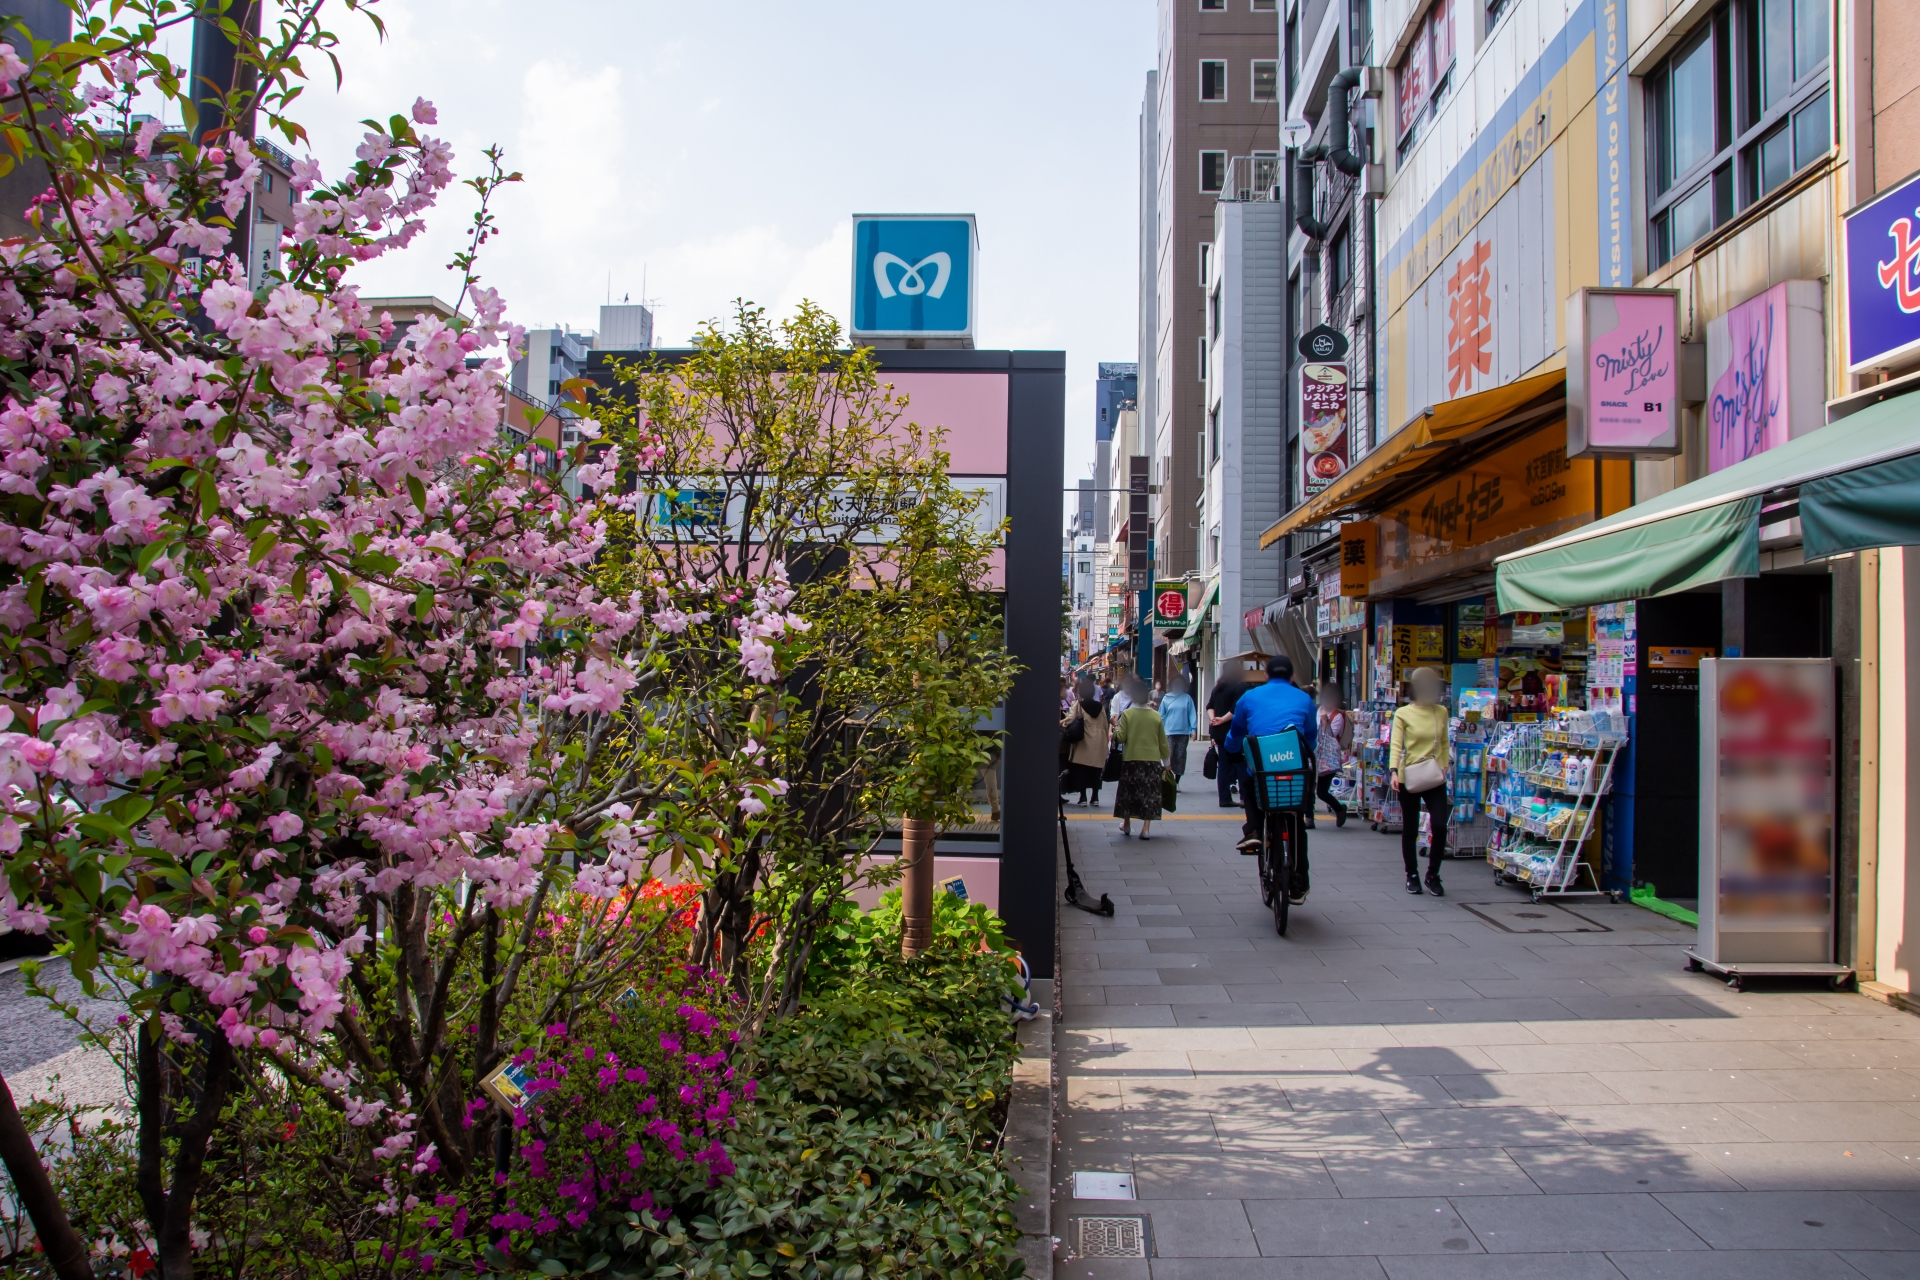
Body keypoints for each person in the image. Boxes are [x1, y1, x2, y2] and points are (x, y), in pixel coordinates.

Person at [1223, 655, 1319, 901]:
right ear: (1292, 677)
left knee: (1248, 779)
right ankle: (1299, 881)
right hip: (1294, 768)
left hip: (1263, 768)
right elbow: (1311, 737)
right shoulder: (1304, 699)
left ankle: (1254, 829)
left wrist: (1231, 748)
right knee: (1296, 818)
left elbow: (1236, 734)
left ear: (1266, 675)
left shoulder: (1250, 697)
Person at [1392, 665, 1452, 896]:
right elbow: (1396, 745)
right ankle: (1412, 874)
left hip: (1435, 775)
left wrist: (1445, 766)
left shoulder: (1441, 712)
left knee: (1439, 825)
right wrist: (1394, 771)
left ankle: (1433, 873)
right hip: (1410, 777)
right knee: (1410, 828)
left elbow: (1445, 742)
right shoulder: (1403, 713)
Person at [1111, 676, 1170, 839]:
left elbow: (1121, 738)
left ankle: (1127, 824)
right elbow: (1163, 742)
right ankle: (1146, 829)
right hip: (1152, 761)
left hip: (1131, 760)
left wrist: (1115, 726)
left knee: (1129, 793)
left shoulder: (1128, 714)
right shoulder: (1156, 716)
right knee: (1149, 794)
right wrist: (1167, 763)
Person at [1060, 678, 1110, 806]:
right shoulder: (1101, 707)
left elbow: (1070, 720)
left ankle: (1083, 797)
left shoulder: (1079, 704)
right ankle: (1095, 797)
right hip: (1099, 741)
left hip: (1084, 741)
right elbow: (1105, 725)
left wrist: (1061, 721)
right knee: (1096, 770)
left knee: (1081, 769)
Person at [1206, 662, 1248, 808]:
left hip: (1218, 732)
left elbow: (1209, 706)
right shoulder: (1240, 688)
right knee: (1241, 764)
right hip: (1233, 731)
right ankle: (1244, 797)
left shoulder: (1218, 688)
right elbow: (1236, 708)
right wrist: (1223, 719)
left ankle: (1224, 798)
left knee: (1223, 765)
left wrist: (1214, 720)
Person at [1316, 684, 1354, 827]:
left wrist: (1325, 723)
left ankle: (1339, 809)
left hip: (1327, 758)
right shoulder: (1318, 710)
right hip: (1314, 754)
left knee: (1321, 792)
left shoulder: (1337, 716)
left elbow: (1330, 738)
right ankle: (1309, 816)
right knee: (1312, 789)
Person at [1157, 675, 1198, 785]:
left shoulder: (1187, 698)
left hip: (1183, 732)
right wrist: (1160, 729)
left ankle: (1176, 781)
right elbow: (1161, 715)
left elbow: (1191, 714)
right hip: (1168, 731)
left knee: (1180, 757)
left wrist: (1193, 730)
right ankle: (1166, 780)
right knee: (1168, 755)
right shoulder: (1166, 698)